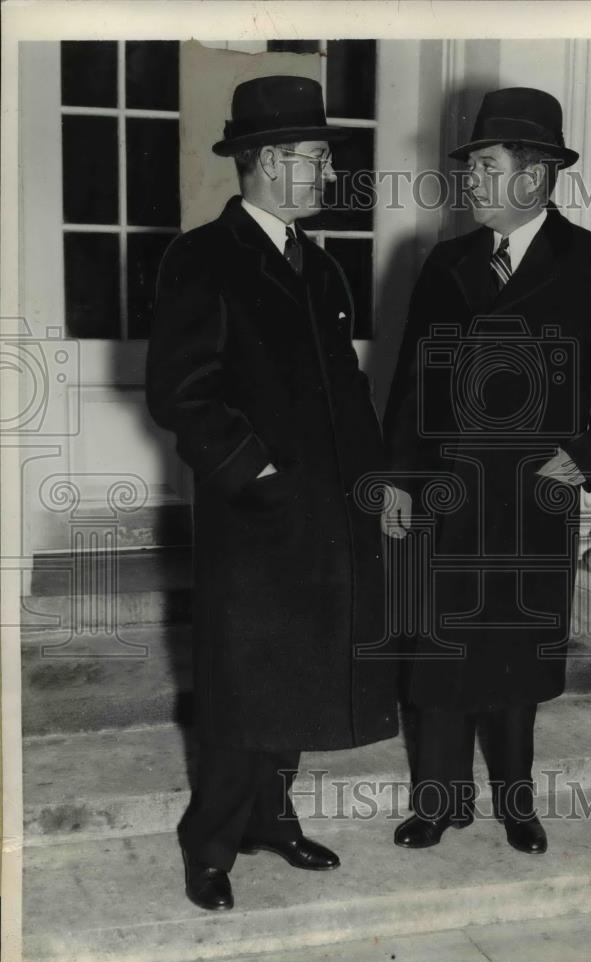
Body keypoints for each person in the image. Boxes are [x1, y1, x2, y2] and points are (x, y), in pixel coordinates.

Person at [382, 87, 591, 855]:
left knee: (515, 661)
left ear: (535, 177)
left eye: (485, 166)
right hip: (445, 495)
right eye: (470, 167)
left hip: (530, 503)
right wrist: (399, 484)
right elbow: (411, 385)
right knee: (438, 656)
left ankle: (516, 804)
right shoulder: (444, 264)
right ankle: (438, 804)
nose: (470, 182)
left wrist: (587, 454)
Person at [146, 75, 397, 911]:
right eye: (314, 158)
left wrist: (375, 484)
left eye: (325, 157)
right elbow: (182, 392)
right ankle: (209, 844)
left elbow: (349, 394)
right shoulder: (201, 258)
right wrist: (256, 474)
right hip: (253, 520)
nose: (327, 174)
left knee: (301, 676)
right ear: (258, 162)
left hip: (326, 518)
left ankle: (270, 818)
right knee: (240, 685)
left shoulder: (320, 270)